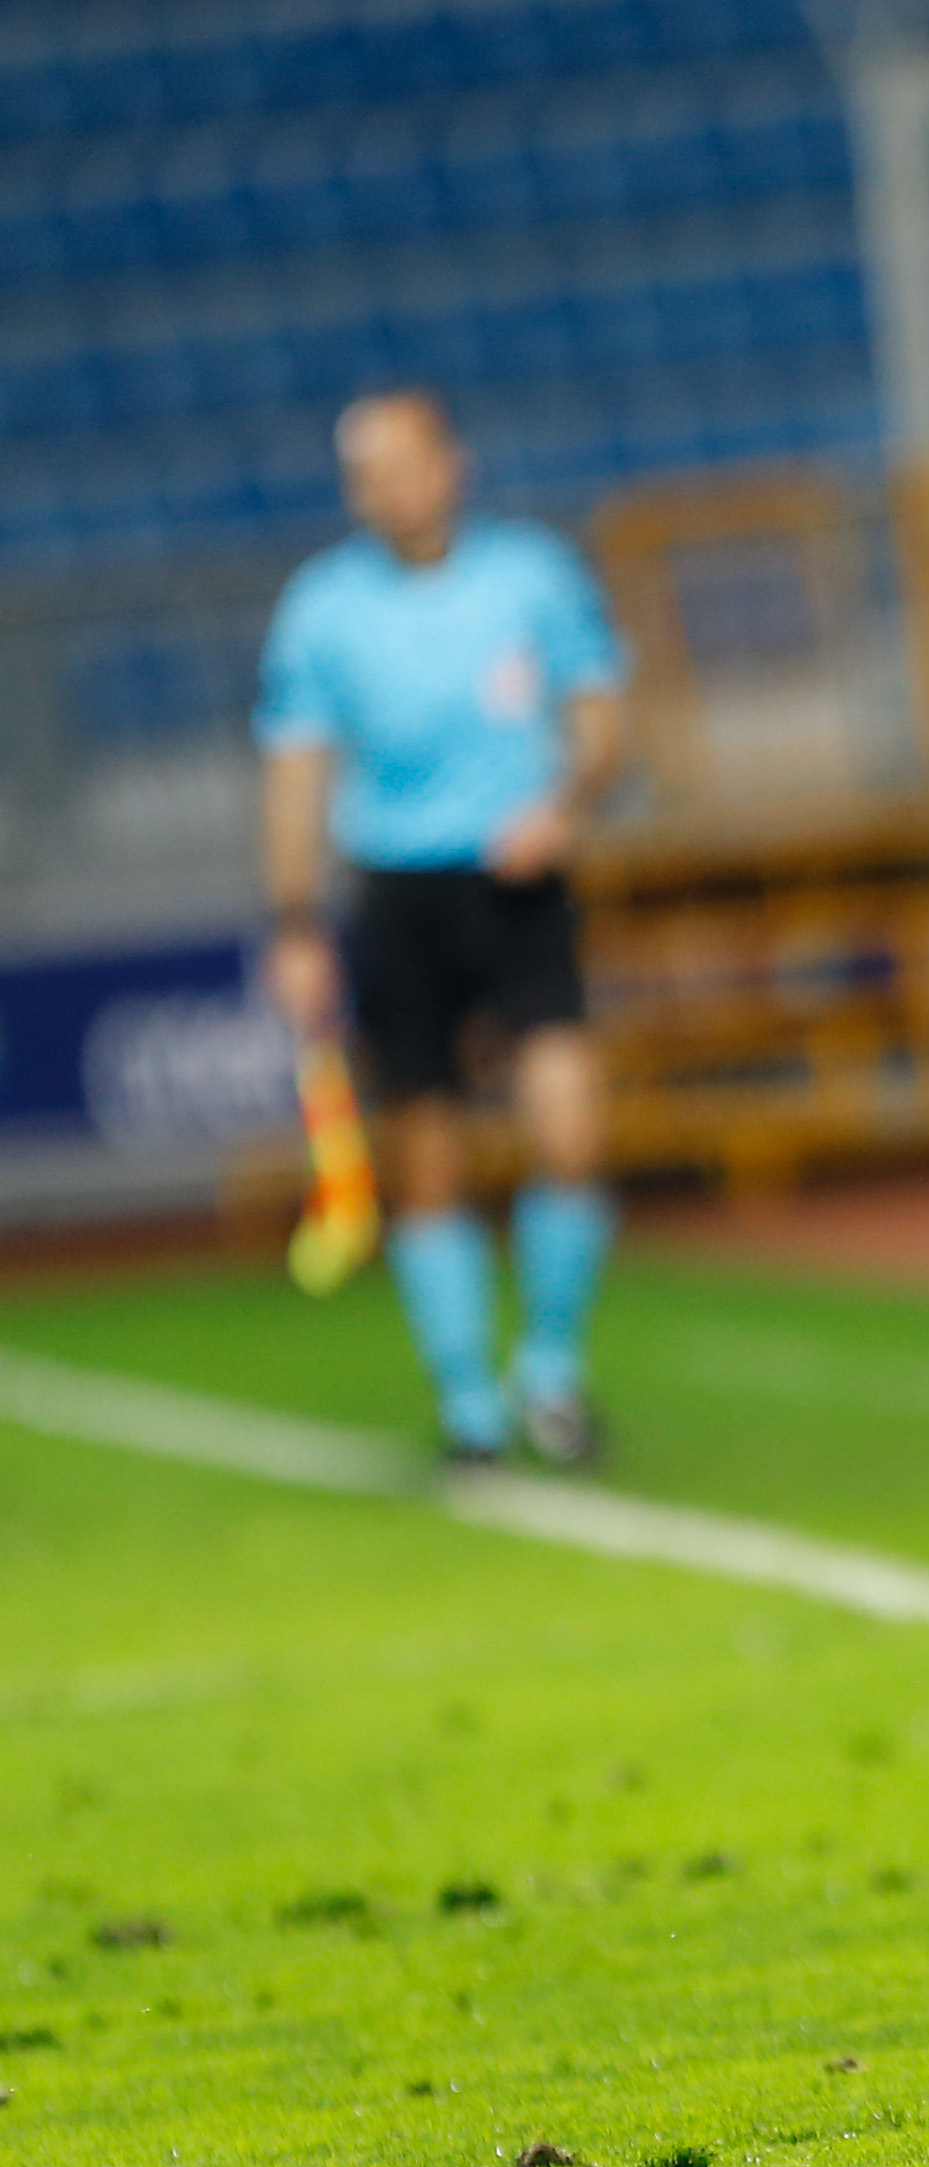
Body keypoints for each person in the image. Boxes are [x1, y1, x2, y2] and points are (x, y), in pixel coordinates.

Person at [258, 392, 629, 1468]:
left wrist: (565, 806)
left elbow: (601, 717)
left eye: (403, 464)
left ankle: (549, 1367)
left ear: (450, 464)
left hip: (516, 887)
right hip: (397, 894)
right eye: (366, 473)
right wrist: (294, 922)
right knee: (424, 1156)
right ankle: (469, 1401)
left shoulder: (532, 576)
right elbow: (295, 770)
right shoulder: (322, 608)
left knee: (570, 1128)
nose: (388, 488)